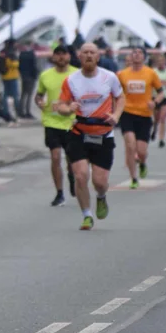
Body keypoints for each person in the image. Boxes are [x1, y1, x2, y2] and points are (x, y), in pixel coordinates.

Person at [54, 43, 125, 231]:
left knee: (100, 183)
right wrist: (68, 109)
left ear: (98, 57)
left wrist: (116, 116)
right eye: (84, 52)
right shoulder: (71, 80)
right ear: (79, 56)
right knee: (80, 176)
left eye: (92, 52)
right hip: (79, 133)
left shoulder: (109, 77)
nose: (88, 55)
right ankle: (86, 215)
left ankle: (101, 197)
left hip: (103, 134)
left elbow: (121, 97)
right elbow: (60, 105)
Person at [35, 44, 78, 206]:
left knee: (71, 159)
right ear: (53, 57)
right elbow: (38, 95)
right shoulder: (45, 75)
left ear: (69, 56)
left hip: (72, 121)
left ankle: (72, 177)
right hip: (51, 121)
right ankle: (59, 193)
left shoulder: (76, 74)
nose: (61, 57)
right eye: (57, 54)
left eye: (64, 54)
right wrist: (40, 102)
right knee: (55, 156)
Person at [116, 47, 163, 188]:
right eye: (134, 52)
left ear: (144, 57)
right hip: (127, 114)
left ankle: (142, 163)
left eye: (140, 53)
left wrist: (154, 102)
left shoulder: (150, 73)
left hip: (144, 115)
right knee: (130, 146)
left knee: (141, 151)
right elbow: (116, 94)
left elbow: (161, 93)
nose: (136, 55)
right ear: (131, 56)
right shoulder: (122, 74)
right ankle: (133, 178)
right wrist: (115, 111)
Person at [152, 52, 166, 148]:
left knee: (163, 118)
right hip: (156, 97)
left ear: (165, 62)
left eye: (162, 61)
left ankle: (161, 139)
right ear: (156, 62)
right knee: (156, 119)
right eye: (159, 61)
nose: (160, 63)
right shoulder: (153, 71)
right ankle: (154, 129)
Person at [0, 40, 21, 121]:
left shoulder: (2, 52)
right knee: (15, 95)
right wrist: (17, 63)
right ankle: (17, 113)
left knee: (6, 95)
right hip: (12, 76)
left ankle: (5, 111)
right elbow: (12, 64)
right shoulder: (10, 53)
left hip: (4, 76)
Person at [18, 42, 39, 119]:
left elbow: (19, 66)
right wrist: (35, 76)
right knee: (29, 95)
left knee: (23, 94)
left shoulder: (22, 54)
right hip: (31, 77)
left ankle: (20, 111)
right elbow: (34, 66)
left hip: (24, 77)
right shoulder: (32, 54)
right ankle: (27, 111)